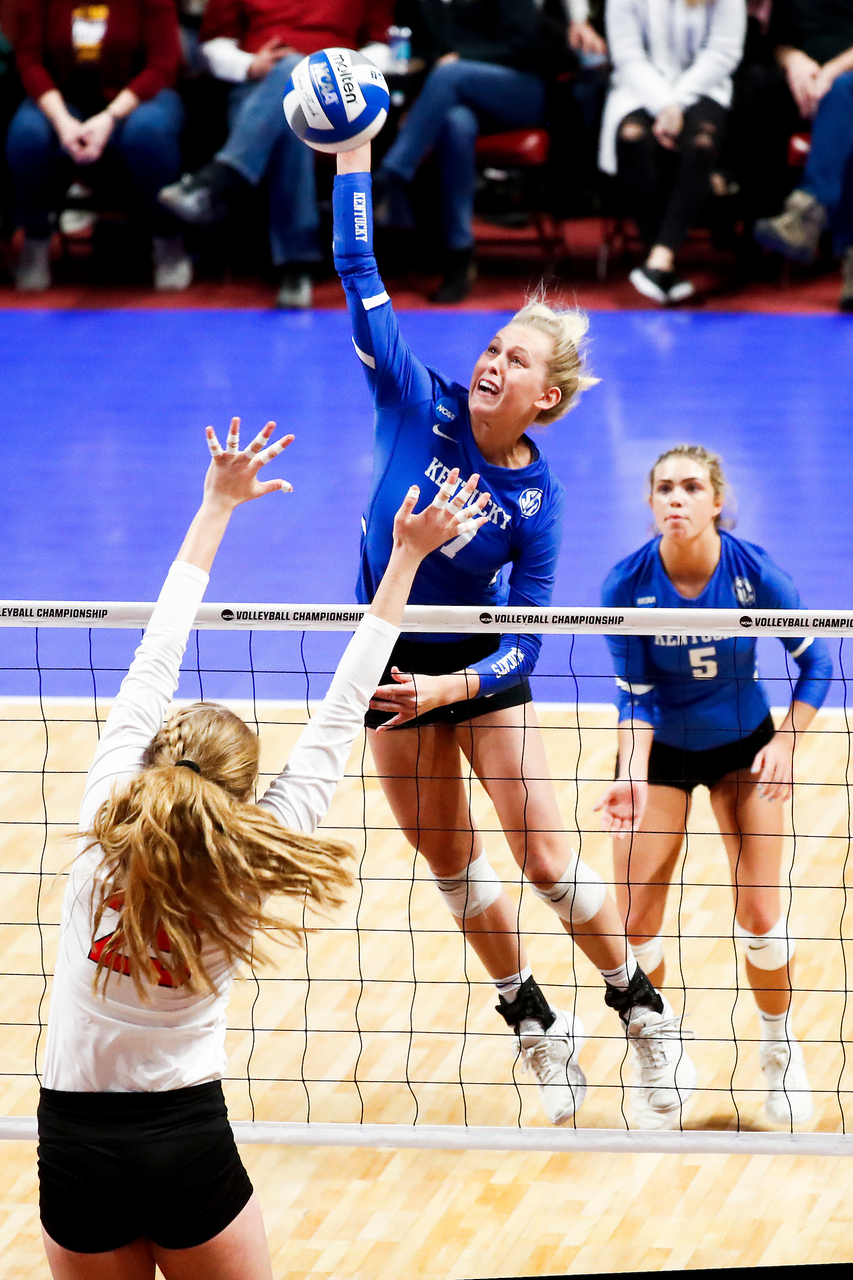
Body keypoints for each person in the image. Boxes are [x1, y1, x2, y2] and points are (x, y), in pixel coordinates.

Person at [37, 416, 486, 1278]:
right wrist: (404, 562)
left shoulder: (102, 822)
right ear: (243, 793)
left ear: (152, 755)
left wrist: (215, 504)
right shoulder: (252, 858)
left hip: (74, 1142)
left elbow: (155, 652)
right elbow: (344, 706)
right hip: (185, 1140)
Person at [332, 138, 698, 1131]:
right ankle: (536, 1024)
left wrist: (455, 690)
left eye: (517, 359)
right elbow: (358, 271)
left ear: (549, 397)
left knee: (542, 855)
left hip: (475, 668)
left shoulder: (538, 497)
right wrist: (354, 154)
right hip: (386, 653)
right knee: (453, 870)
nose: (492, 360)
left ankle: (640, 1008)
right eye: (492, 346)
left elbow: (527, 644)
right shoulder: (416, 398)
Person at [596, 444, 832, 1127]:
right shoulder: (625, 584)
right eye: (664, 488)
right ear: (649, 504)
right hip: (660, 752)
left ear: (715, 501)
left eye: (691, 487)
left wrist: (786, 742)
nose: (676, 498)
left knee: (759, 914)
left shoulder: (754, 576)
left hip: (741, 751)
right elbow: (632, 694)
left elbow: (815, 665)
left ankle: (778, 1052)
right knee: (634, 920)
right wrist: (630, 777)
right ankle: (659, 1052)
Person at [157, 0, 392, 309]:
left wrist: (338, 67)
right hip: (257, 90)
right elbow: (213, 45)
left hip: (339, 95)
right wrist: (247, 64)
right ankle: (296, 266)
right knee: (291, 98)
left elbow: (383, 46)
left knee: (295, 84)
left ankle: (219, 178)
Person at [372, 0, 560, 304]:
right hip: (452, 98)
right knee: (455, 124)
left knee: (452, 74)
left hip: (517, 89)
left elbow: (524, 45)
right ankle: (459, 255)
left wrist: (461, 58)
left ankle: (389, 176)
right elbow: (417, 48)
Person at [7, 0, 191, 292]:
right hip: (62, 99)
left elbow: (163, 64)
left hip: (139, 97)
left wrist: (109, 117)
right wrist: (62, 122)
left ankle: (166, 239)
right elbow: (29, 62)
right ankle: (35, 239)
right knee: (26, 136)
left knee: (149, 133)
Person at [599, 0, 746, 305]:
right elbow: (627, 54)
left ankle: (660, 258)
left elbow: (723, 52)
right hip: (638, 89)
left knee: (701, 141)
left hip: (705, 88)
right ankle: (663, 263)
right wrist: (664, 104)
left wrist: (677, 103)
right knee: (632, 137)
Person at [753, 0, 853, 312]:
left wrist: (831, 73)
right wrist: (794, 61)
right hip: (802, 87)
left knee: (844, 95)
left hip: (843, 80)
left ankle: (806, 210)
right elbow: (776, 42)